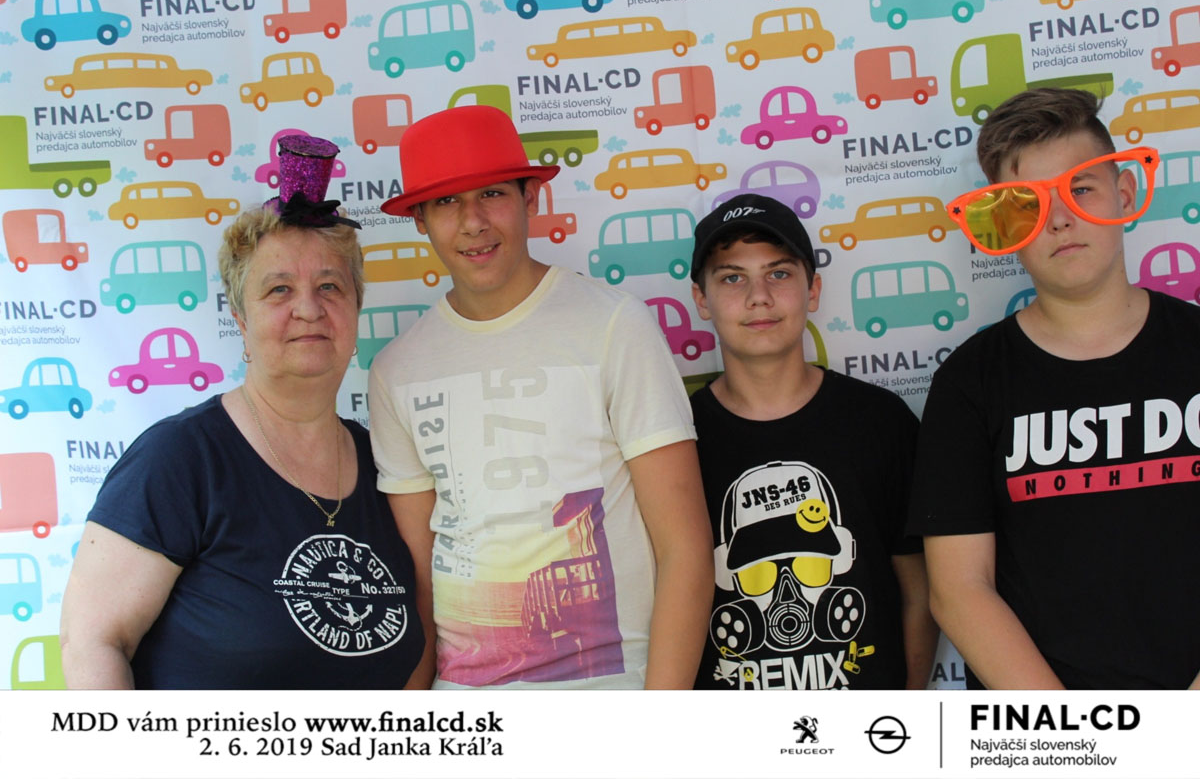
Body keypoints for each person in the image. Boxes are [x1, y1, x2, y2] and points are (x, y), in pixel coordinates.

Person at [60, 135, 425, 689]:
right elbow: (93, 642)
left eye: (330, 285)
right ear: (239, 317)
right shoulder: (181, 459)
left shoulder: (385, 464)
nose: (309, 308)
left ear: (356, 309)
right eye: (279, 290)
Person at [368, 105, 713, 689]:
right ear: (420, 220)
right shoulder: (395, 369)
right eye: (446, 202)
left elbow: (686, 549)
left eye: (492, 194)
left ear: (530, 198)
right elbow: (420, 583)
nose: (473, 222)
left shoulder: (614, 326)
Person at [910, 87, 1200, 689]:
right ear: (1002, 226)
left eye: (1081, 189)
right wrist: (1072, 729)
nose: (1060, 219)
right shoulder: (969, 383)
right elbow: (959, 589)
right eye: (1028, 205)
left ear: (1125, 194)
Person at [688, 194, 938, 690]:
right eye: (733, 278)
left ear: (814, 289)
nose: (759, 296)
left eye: (779, 273)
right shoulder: (677, 440)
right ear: (701, 299)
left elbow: (920, 590)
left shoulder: (879, 421)